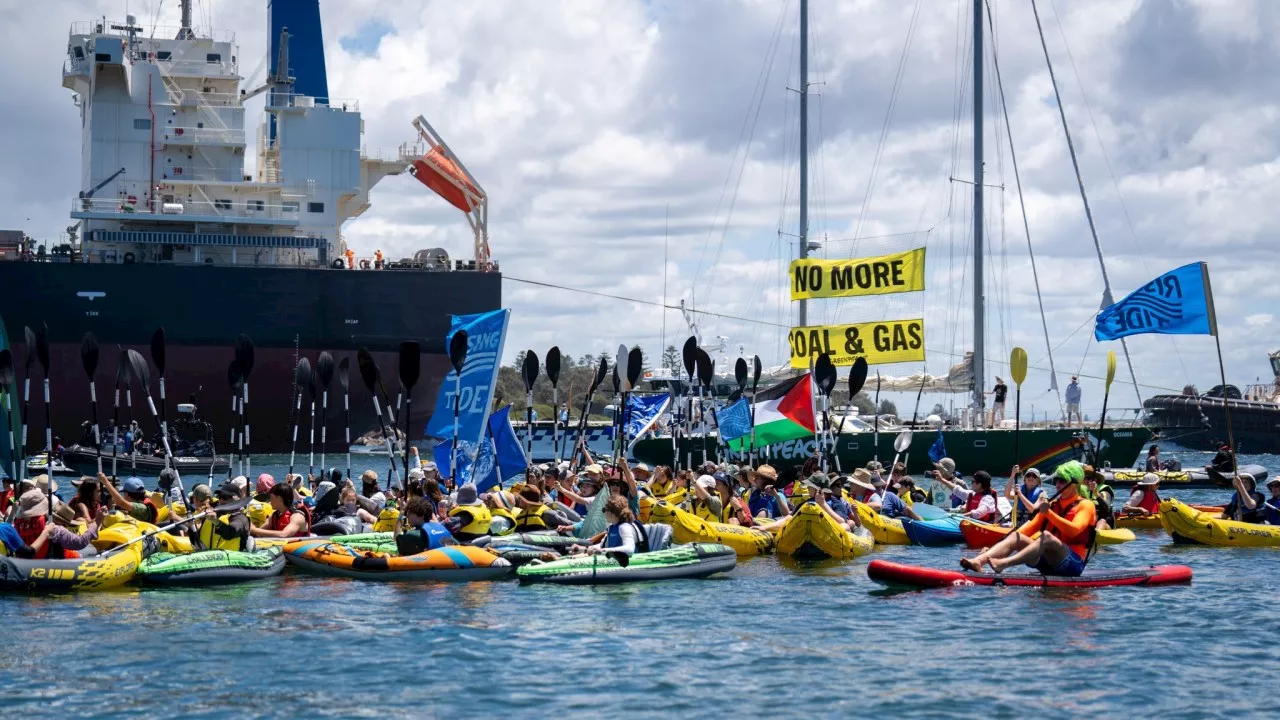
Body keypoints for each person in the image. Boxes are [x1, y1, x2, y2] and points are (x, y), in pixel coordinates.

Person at [960, 464, 1096, 576]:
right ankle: (978, 561)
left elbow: (1074, 531)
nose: (1058, 484)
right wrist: (993, 548)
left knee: (1046, 537)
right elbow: (1026, 531)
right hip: (1048, 563)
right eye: (1056, 480)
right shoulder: (1052, 505)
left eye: (1063, 481)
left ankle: (1004, 563)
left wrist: (1048, 513)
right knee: (1017, 535)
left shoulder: (1085, 505)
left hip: (1073, 565)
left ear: (1074, 484)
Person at [25, 502, 101, 559]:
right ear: (64, 522)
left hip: (33, 559)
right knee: (92, 549)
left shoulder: (31, 524)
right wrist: (96, 523)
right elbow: (80, 543)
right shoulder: (58, 529)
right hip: (53, 561)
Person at [579, 496, 649, 557]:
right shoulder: (611, 528)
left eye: (604, 510)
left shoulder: (624, 527)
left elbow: (629, 549)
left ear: (612, 511)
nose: (604, 513)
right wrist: (584, 549)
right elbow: (601, 545)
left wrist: (603, 551)